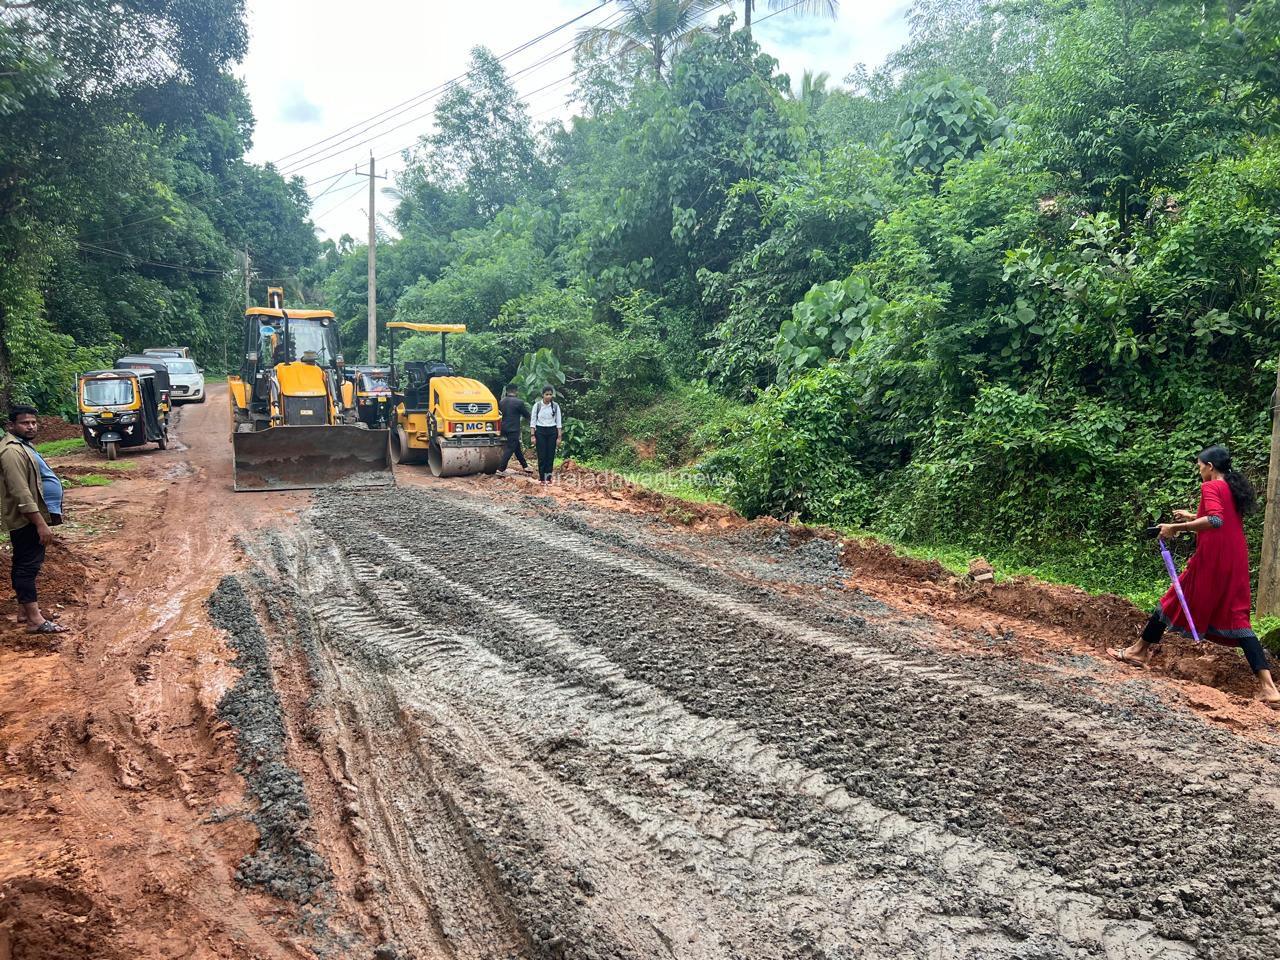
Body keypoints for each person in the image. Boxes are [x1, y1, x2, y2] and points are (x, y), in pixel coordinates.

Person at [1110, 445, 1278, 707]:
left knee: (1172, 597)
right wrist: (1193, 516)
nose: (1199, 471)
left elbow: (1216, 521)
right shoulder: (1231, 487)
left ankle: (1138, 651)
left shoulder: (1211, 487)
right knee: (1237, 615)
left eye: (1200, 466)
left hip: (1211, 559)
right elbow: (1224, 519)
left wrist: (1177, 527)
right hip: (1234, 558)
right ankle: (1268, 687)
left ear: (1210, 467)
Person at [0, 406, 66, 634]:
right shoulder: (11, 452)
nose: (31, 426)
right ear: (11, 426)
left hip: (32, 516)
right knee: (27, 567)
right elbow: (20, 492)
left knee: (23, 563)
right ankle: (35, 620)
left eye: (33, 422)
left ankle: (23, 612)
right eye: (25, 423)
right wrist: (40, 523)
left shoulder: (22, 446)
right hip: (27, 519)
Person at [530, 385, 562, 484]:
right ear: (542, 395)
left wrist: (559, 437)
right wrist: (532, 435)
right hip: (540, 431)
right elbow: (533, 421)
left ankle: (548, 477)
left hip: (552, 431)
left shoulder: (555, 406)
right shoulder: (537, 406)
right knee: (542, 454)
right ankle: (542, 477)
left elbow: (559, 422)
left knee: (550, 455)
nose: (548, 396)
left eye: (550, 394)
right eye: (546, 394)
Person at [496, 384, 530, 473]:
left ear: (507, 391)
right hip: (513, 429)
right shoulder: (519, 402)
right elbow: (526, 414)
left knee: (516, 447)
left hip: (503, 428)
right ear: (516, 391)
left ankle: (525, 466)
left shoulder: (502, 401)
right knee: (511, 448)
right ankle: (501, 469)